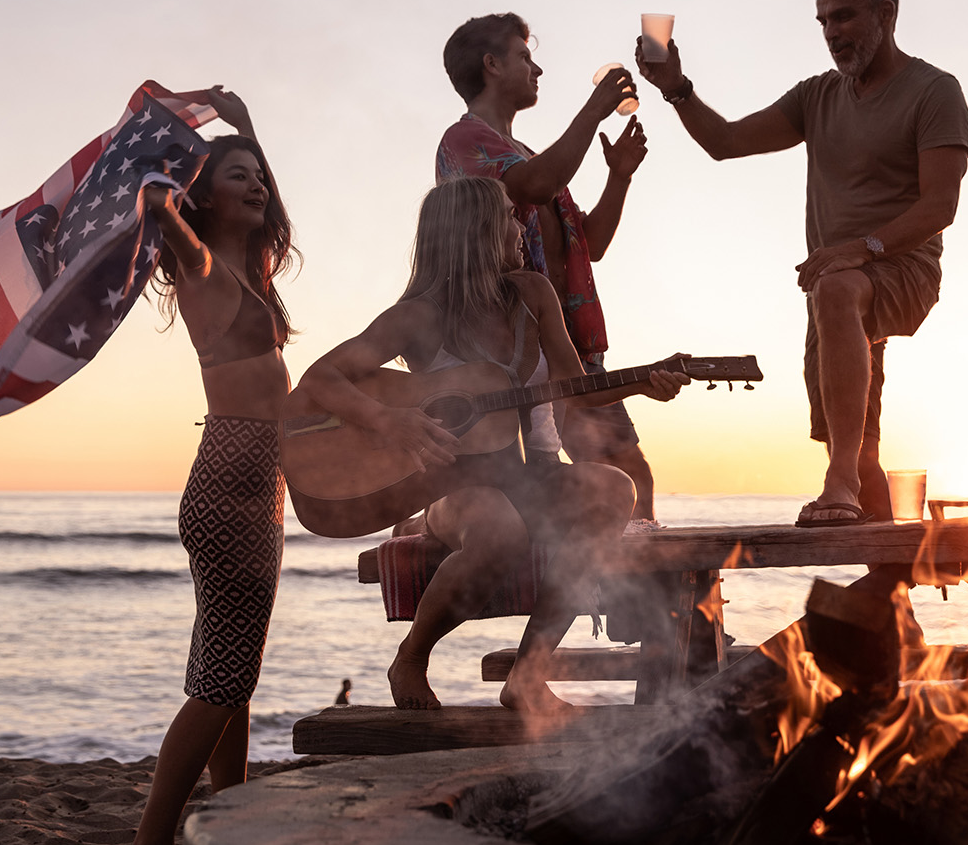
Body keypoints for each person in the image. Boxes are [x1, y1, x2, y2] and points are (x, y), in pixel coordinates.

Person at [295, 175, 690, 717]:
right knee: (500, 529)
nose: (519, 224)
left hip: (538, 472)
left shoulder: (533, 294)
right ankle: (411, 657)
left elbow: (578, 389)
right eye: (507, 216)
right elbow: (320, 379)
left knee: (612, 489)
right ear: (475, 231)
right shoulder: (419, 316)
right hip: (458, 481)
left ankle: (528, 675)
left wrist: (647, 381)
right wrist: (392, 421)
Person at [635, 0, 968, 526]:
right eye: (822, 21)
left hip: (902, 268)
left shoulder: (934, 91)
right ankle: (886, 586)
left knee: (838, 294)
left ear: (885, 14)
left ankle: (837, 486)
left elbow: (940, 207)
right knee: (857, 434)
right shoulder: (817, 97)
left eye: (844, 16)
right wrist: (676, 89)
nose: (832, 32)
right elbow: (726, 141)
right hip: (835, 287)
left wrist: (859, 248)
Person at [117, 89, 300, 845]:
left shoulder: (252, 264)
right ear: (206, 191)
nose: (257, 185)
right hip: (232, 477)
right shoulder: (199, 263)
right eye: (240, 175)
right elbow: (166, 218)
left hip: (260, 481)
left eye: (260, 175)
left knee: (232, 670)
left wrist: (249, 127)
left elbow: (274, 208)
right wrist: (160, 196)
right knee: (222, 680)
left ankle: (234, 818)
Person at [435, 13, 662, 519]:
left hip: (573, 353)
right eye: (525, 57)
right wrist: (595, 108)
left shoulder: (534, 155)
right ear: (491, 65)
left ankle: (638, 597)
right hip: (514, 357)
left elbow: (591, 245)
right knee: (534, 503)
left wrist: (619, 177)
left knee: (631, 477)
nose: (537, 70)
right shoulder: (463, 141)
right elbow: (532, 185)